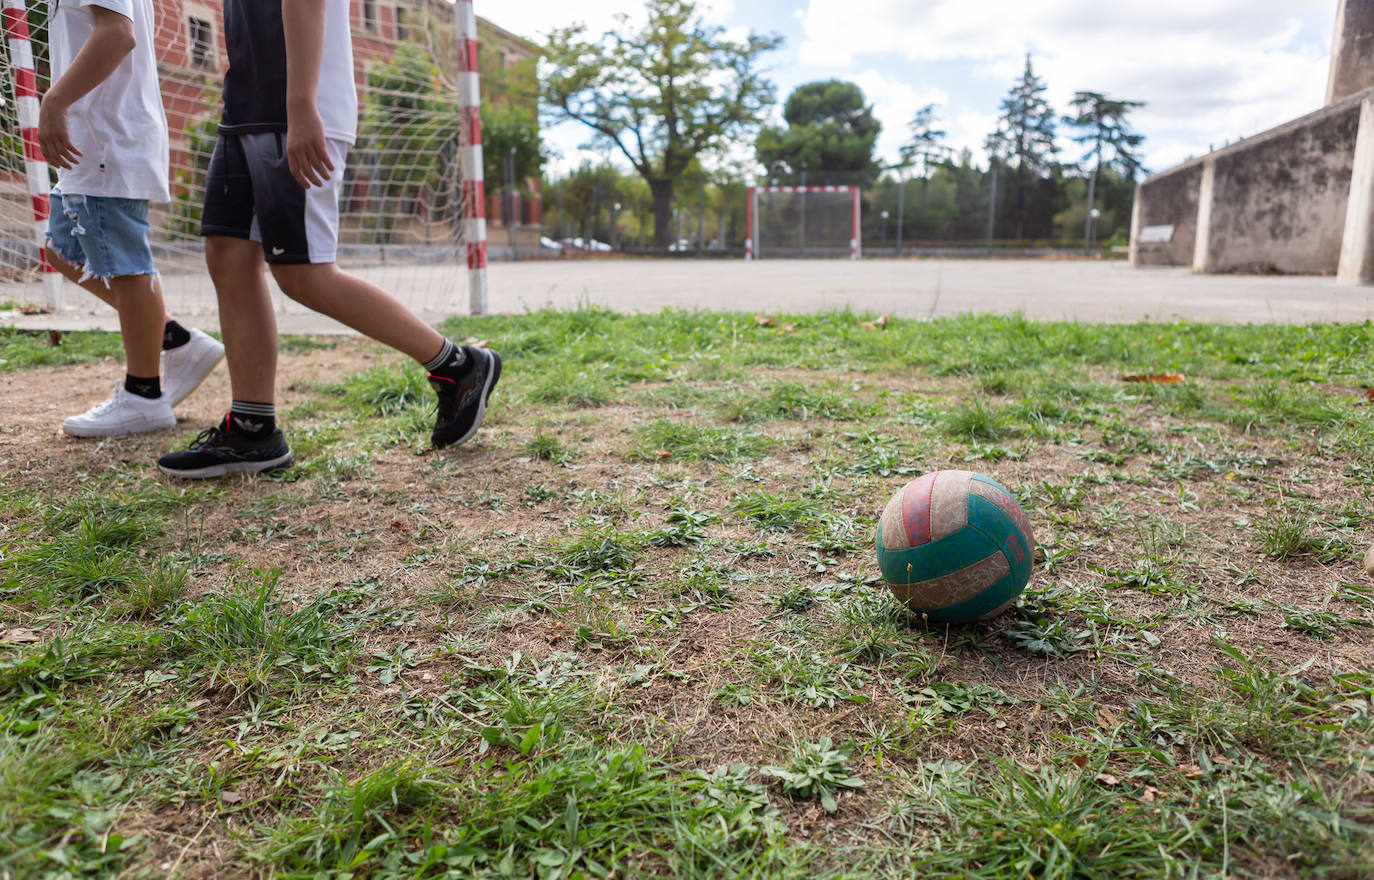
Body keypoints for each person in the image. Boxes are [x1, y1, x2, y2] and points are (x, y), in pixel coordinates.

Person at [156, 0, 499, 479]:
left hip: (297, 108)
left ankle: (458, 365)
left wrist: (299, 105)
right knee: (227, 255)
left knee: (304, 275)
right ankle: (253, 429)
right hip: (246, 108)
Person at [39, 0, 223, 438]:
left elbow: (118, 34)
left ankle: (143, 395)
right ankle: (175, 340)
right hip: (90, 144)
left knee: (124, 266)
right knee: (60, 250)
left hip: (107, 139)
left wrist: (54, 100)